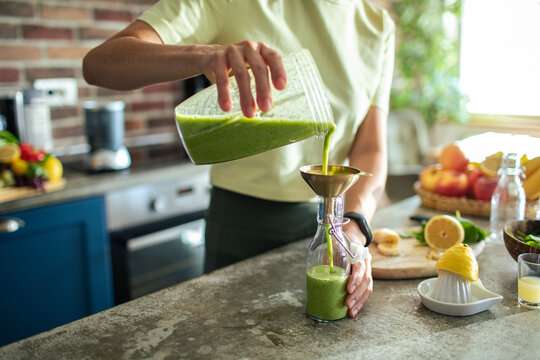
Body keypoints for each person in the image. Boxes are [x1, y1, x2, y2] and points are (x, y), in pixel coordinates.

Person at [83, 0, 395, 318]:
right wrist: (205, 55)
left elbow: (370, 148)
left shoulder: (376, 25)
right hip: (241, 226)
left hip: (331, 227)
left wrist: (354, 229)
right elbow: (99, 65)